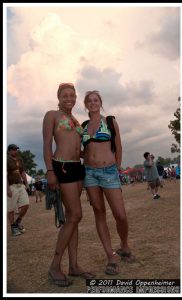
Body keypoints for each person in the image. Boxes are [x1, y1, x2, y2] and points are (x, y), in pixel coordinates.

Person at [42, 83, 95, 287]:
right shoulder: (52, 115)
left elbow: (78, 147)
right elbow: (47, 144)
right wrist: (49, 171)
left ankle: (73, 265)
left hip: (77, 167)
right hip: (62, 166)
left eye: (72, 95)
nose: (69, 98)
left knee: (74, 219)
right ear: (58, 97)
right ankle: (55, 266)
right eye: (65, 95)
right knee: (74, 216)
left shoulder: (75, 120)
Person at [81, 90, 134, 276]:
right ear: (86, 104)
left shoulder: (110, 121)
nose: (93, 103)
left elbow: (118, 146)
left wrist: (117, 166)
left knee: (120, 214)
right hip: (89, 174)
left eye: (96, 100)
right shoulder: (84, 126)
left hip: (109, 172)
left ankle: (124, 245)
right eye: (89, 101)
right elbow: (83, 151)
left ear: (100, 102)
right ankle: (110, 257)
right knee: (99, 213)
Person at [7, 144, 30, 236]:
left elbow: (22, 172)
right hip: (12, 186)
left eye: (16, 149)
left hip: (20, 185)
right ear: (9, 151)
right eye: (13, 149)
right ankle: (13, 228)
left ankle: (17, 222)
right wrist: (7, 189)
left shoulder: (20, 160)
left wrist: (26, 183)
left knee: (26, 204)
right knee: (11, 208)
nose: (15, 151)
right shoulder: (6, 160)